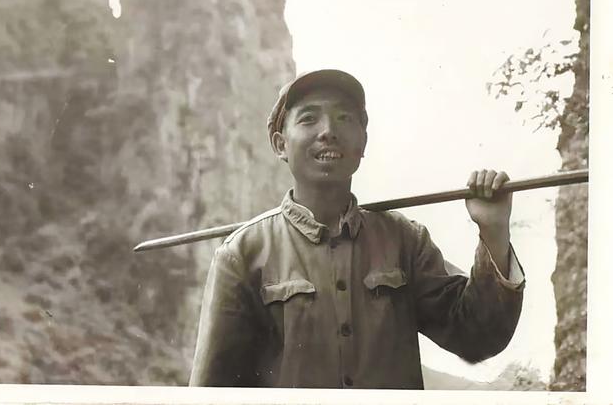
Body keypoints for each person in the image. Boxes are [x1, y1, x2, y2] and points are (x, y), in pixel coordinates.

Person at [189, 69, 525, 389]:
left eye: (344, 118)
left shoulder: (405, 241)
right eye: (308, 119)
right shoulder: (241, 254)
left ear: (362, 142)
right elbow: (210, 394)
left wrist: (493, 231)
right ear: (280, 145)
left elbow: (477, 337)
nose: (328, 131)